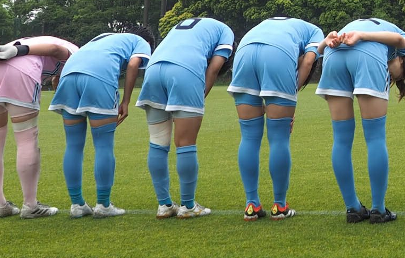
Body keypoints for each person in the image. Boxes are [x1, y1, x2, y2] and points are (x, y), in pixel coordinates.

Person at [316, 17, 405, 223]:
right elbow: (398, 39)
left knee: (341, 140)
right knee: (375, 138)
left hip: (333, 56)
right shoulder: (397, 37)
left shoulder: (357, 24)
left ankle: (353, 208)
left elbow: (319, 50)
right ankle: (378, 210)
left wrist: (328, 40)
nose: (392, 76)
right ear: (401, 59)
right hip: (366, 57)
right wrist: (362, 36)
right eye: (397, 76)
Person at [136, 15, 235, 218]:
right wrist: (199, 97)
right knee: (185, 143)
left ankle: (164, 205)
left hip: (153, 71)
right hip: (184, 71)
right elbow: (215, 67)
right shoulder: (226, 31)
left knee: (157, 142)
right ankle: (188, 206)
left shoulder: (187, 26)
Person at [0, 35, 79, 218]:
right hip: (19, 70)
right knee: (27, 139)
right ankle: (30, 205)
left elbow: (55, 73)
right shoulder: (77, 53)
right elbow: (55, 50)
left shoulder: (37, 39)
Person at [48, 29, 152, 218]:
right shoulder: (140, 41)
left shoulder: (101, 37)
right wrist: (126, 101)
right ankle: (103, 205)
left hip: (69, 78)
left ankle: (77, 205)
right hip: (98, 79)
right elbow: (134, 63)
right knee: (103, 145)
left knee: (73, 145)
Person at [228, 16, 324, 220]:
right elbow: (307, 61)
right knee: (279, 138)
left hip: (245, 50)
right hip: (277, 54)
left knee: (249, 137)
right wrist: (290, 96)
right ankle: (279, 206)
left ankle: (251, 205)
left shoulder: (277, 24)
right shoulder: (315, 32)